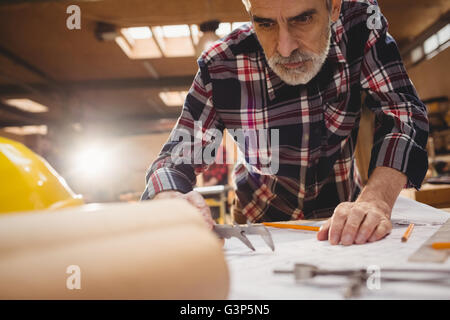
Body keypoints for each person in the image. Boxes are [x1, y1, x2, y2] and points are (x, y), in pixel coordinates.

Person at [141, 0, 428, 246]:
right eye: (265, 23)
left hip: (345, 214)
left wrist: (376, 199)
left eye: (302, 19)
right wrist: (168, 196)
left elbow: (402, 111)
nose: (285, 47)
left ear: (334, 7)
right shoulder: (221, 66)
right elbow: (175, 159)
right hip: (257, 222)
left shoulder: (360, 25)